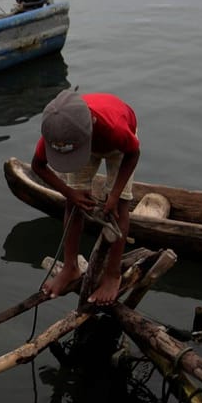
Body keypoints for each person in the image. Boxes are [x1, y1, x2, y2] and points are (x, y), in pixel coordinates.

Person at [30, 89, 141, 305]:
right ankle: (70, 267)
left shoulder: (115, 128)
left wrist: (114, 195)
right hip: (82, 145)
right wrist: (70, 193)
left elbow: (133, 154)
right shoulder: (57, 133)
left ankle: (112, 274)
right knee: (73, 204)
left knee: (119, 207)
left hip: (119, 149)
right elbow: (38, 166)